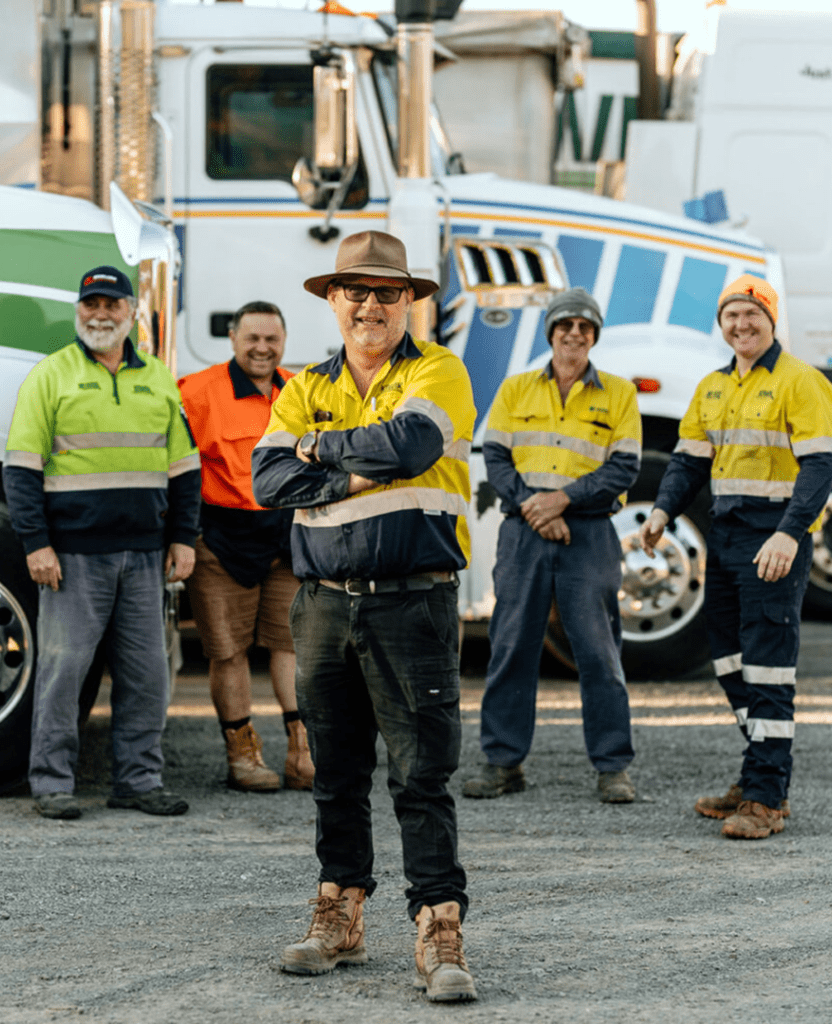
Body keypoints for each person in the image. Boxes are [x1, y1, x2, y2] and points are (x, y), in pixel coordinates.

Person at [251, 231, 478, 1003]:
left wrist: (320, 451)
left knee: (422, 773)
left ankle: (438, 929)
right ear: (334, 300)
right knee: (335, 772)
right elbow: (266, 477)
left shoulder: (440, 370)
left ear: (408, 301)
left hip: (412, 601)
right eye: (356, 291)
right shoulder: (304, 381)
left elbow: (412, 444)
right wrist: (348, 469)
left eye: (387, 292)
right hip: (320, 607)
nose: (371, 305)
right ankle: (339, 913)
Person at [640, 275, 832, 840]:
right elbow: (687, 464)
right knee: (728, 659)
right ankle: (760, 775)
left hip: (773, 539)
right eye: (731, 315)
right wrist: (661, 512)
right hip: (726, 538)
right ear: (721, 325)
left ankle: (766, 798)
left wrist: (790, 533)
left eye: (752, 314)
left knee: (770, 667)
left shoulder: (802, 382)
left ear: (771, 319)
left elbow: (820, 468)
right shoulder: (712, 387)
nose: (741, 325)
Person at [3, 265, 200, 820]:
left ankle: (139, 781)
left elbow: (185, 469)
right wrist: (36, 545)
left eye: (113, 304)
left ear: (132, 312)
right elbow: (21, 468)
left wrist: (183, 538)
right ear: (78, 311)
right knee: (63, 673)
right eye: (92, 304)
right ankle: (51, 783)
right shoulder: (51, 376)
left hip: (144, 556)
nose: (101, 313)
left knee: (147, 676)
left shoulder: (158, 378)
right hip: (72, 557)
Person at [462, 287, 641, 805]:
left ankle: (613, 767)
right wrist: (536, 509)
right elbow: (495, 457)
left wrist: (561, 501)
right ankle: (502, 763)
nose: (574, 334)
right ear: (551, 332)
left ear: (594, 336)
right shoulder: (517, 389)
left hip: (589, 534)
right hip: (524, 533)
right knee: (512, 647)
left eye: (585, 327)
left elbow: (624, 467)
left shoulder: (619, 394)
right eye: (566, 325)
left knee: (599, 653)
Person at [177, 301, 313, 792]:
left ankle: (302, 751)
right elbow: (180, 468)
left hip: (284, 537)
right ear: (233, 338)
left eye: (271, 340)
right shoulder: (198, 391)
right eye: (252, 338)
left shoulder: (299, 389)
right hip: (220, 540)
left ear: (283, 341)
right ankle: (243, 755)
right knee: (228, 652)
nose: (262, 348)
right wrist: (184, 536)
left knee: (291, 646)